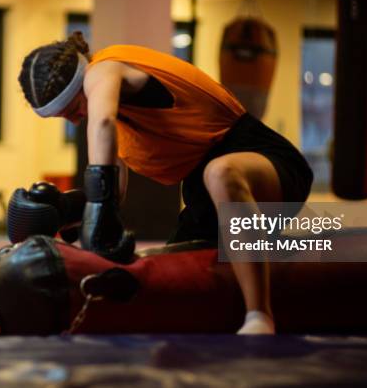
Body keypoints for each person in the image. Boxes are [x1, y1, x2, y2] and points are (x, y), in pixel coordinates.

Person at [18, 31, 313, 334]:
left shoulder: (103, 69)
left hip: (267, 161)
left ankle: (260, 316)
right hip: (203, 195)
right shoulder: (117, 120)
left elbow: (101, 123)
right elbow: (114, 192)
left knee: (220, 172)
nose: (74, 121)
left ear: (79, 82)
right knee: (171, 275)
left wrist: (98, 200)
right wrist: (68, 210)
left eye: (71, 110)